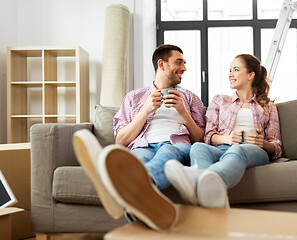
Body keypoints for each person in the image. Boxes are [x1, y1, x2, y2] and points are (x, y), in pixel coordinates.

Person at [73, 44, 205, 231]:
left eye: (184, 63)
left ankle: (116, 187)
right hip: (143, 146)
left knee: (167, 152)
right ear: (162, 64)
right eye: (179, 62)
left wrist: (184, 113)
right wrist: (145, 110)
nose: (184, 68)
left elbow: (200, 139)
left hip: (177, 145)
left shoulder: (190, 98)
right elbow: (121, 141)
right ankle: (136, 195)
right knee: (139, 158)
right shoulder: (134, 98)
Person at [164, 54, 282, 208]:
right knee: (198, 147)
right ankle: (211, 195)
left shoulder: (267, 105)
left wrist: (264, 143)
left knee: (237, 150)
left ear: (250, 75)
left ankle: (197, 180)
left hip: (254, 151)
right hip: (223, 147)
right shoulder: (220, 100)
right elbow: (208, 136)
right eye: (230, 70)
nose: (230, 74)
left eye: (236, 69)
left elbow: (276, 145)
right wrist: (227, 139)